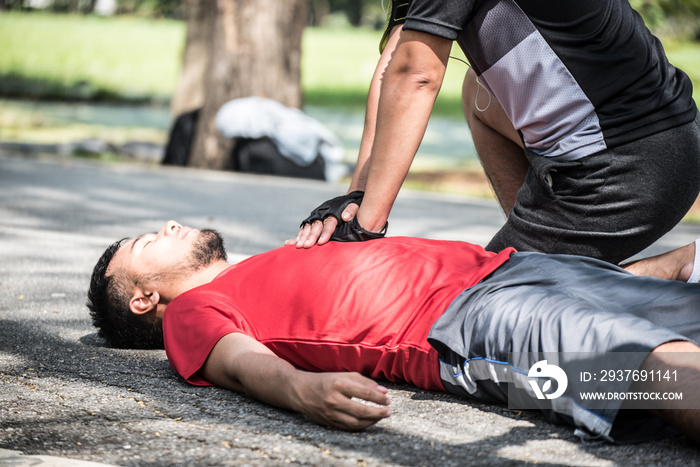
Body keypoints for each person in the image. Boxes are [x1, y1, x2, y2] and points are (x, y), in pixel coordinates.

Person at [88, 220, 700, 444]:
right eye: (149, 242)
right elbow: (236, 359)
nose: (167, 225)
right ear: (145, 298)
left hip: (510, 268)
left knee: (684, 277)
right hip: (468, 329)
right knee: (655, 367)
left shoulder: (268, 262)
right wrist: (300, 391)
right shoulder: (194, 311)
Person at [288, 0, 700, 281]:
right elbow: (396, 64)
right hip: (659, 143)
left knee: (470, 311)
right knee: (477, 93)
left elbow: (417, 74)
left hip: (628, 168)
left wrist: (366, 229)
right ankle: (534, 252)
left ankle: (670, 269)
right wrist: (357, 197)